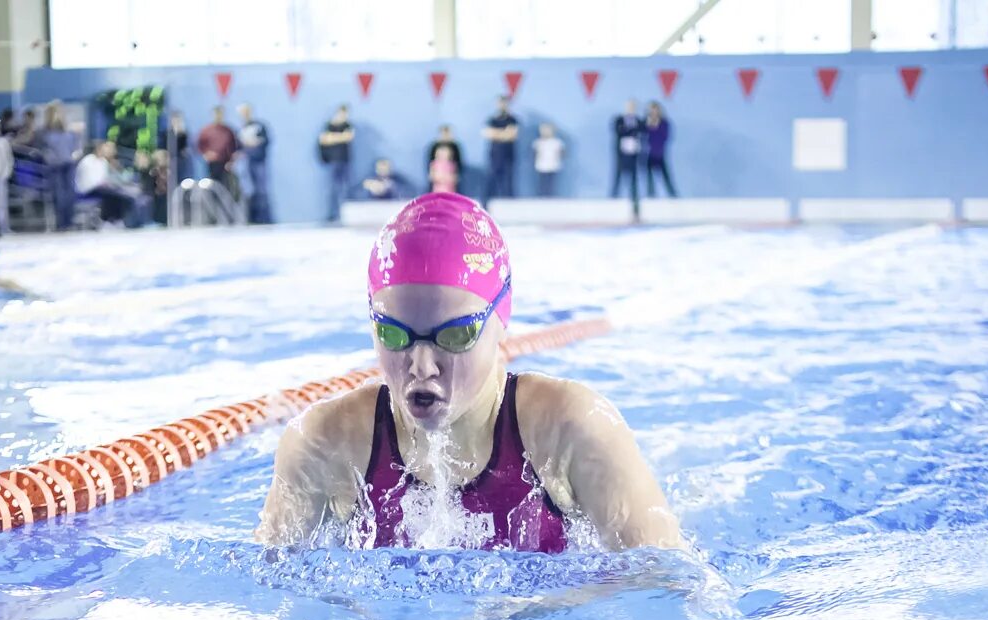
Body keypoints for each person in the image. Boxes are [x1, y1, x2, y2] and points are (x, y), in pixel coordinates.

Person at [256, 192, 677, 552]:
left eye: (455, 336)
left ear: (501, 317)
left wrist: (528, 609)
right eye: (393, 334)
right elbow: (270, 594)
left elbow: (665, 582)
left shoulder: (570, 427)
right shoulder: (323, 442)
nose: (421, 366)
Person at [38, 102, 81, 230]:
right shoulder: (44, 132)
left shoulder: (69, 131)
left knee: (70, 194)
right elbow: (43, 149)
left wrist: (75, 154)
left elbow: (76, 146)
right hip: (54, 167)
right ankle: (61, 223)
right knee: (59, 195)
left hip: (68, 164)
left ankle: (69, 222)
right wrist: (49, 158)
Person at [194, 105, 240, 206]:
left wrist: (231, 162)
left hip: (226, 165)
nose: (219, 116)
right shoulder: (206, 131)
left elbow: (234, 147)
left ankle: (226, 211)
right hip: (212, 164)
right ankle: (213, 211)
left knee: (227, 189)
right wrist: (206, 155)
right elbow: (199, 146)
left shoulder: (228, 131)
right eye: (217, 114)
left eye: (221, 114)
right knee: (212, 187)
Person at [317, 104, 352, 222]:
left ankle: (345, 214)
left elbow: (348, 137)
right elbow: (323, 139)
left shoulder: (348, 125)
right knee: (333, 189)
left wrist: (332, 138)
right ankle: (333, 214)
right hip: (333, 161)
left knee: (345, 188)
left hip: (345, 160)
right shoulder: (329, 125)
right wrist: (340, 137)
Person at [236, 102, 270, 224]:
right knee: (249, 191)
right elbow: (239, 146)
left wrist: (252, 144)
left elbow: (265, 142)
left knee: (262, 190)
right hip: (247, 162)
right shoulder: (242, 128)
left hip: (259, 161)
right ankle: (252, 218)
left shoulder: (259, 126)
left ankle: (264, 219)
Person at [482, 95, 517, 203]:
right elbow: (487, 133)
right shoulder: (492, 120)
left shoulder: (512, 119)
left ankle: (509, 203)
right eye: (500, 103)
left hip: (508, 154)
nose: (502, 105)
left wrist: (496, 134)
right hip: (495, 154)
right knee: (491, 178)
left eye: (504, 103)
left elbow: (512, 135)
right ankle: (486, 203)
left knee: (508, 180)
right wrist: (504, 134)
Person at [611, 98, 643, 213]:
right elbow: (619, 132)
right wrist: (631, 131)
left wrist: (629, 131)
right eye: (629, 106)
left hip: (634, 154)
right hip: (622, 153)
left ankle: (634, 201)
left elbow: (641, 131)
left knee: (634, 178)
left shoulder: (639, 120)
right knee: (618, 176)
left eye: (633, 106)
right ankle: (613, 199)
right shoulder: (619, 119)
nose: (631, 108)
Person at [644, 101, 675, 197]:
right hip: (648, 154)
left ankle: (672, 194)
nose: (653, 112)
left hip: (660, 153)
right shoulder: (645, 123)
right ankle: (650, 194)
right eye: (651, 110)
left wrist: (655, 127)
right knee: (649, 177)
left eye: (655, 110)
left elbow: (665, 137)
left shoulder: (664, 123)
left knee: (666, 176)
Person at [533, 122, 565, 197]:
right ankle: (542, 195)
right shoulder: (538, 142)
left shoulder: (557, 142)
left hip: (553, 165)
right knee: (542, 182)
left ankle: (550, 196)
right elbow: (534, 153)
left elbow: (562, 153)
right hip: (541, 165)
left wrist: (559, 156)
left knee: (551, 183)